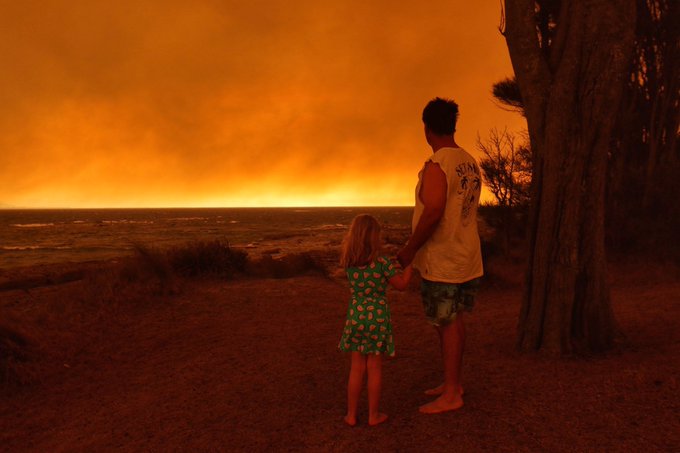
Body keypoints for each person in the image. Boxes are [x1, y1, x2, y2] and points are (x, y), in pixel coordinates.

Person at [397, 97, 483, 415]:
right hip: (467, 256)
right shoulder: (469, 162)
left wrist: (409, 250)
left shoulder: (437, 165)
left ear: (427, 128)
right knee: (454, 320)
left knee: (445, 323)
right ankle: (453, 384)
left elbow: (433, 212)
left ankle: (451, 394)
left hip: (444, 260)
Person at [338, 214, 413, 427]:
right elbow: (401, 285)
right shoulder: (382, 263)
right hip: (377, 318)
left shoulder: (349, 263)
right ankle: (373, 415)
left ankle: (351, 415)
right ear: (374, 238)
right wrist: (409, 265)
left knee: (356, 368)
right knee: (374, 368)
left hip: (356, 316)